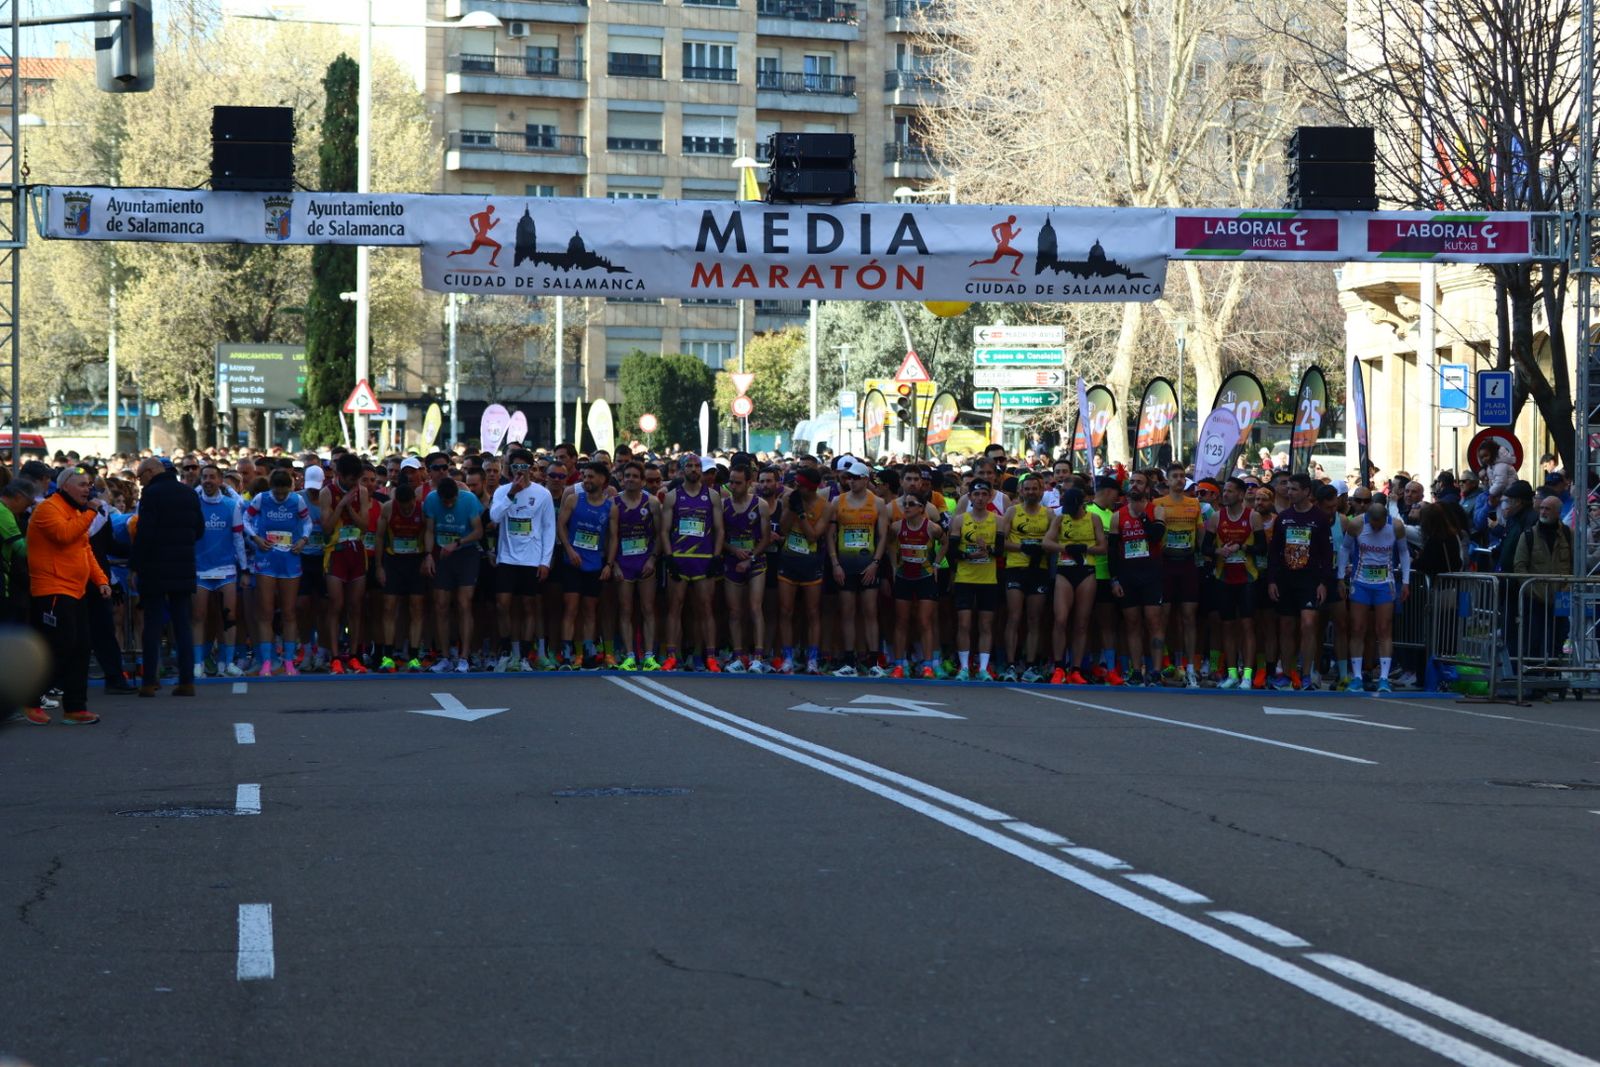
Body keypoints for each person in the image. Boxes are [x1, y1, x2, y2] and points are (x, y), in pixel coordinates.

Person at [23, 467, 112, 724]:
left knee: (81, 648)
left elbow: (85, 550)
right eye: (82, 484)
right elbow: (64, 535)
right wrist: (92, 512)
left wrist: (101, 580)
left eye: (89, 484)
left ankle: (75, 708)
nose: (88, 489)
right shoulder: (48, 509)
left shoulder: (77, 512)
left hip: (75, 590)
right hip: (52, 589)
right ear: (65, 486)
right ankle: (29, 700)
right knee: (59, 647)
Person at [132, 457, 204, 697]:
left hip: (155, 567)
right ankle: (187, 681)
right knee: (182, 624)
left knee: (152, 624)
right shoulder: (189, 493)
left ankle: (149, 681)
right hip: (183, 566)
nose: (139, 482)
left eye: (140, 476)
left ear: (150, 472)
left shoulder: (151, 495)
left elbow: (144, 533)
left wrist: (135, 566)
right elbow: (199, 529)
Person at [488, 448, 556, 672]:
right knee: (502, 604)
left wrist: (545, 561)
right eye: (515, 466)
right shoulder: (502, 491)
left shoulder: (542, 494)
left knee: (529, 606)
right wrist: (512, 494)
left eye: (523, 466)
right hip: (507, 558)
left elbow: (549, 528)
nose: (519, 471)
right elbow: (495, 517)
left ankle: (526, 655)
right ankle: (507, 652)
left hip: (531, 559)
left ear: (530, 468)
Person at [1266, 472, 1336, 690]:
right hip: (1286, 578)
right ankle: (1287, 674)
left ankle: (1307, 674)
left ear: (1306, 492)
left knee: (1308, 623)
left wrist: (1324, 582)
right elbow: (1274, 551)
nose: (1290, 492)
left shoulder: (1319, 518)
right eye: (1288, 488)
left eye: (1294, 489)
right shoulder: (1283, 518)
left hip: (1310, 580)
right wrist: (1272, 580)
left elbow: (1327, 554)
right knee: (1286, 626)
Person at [243, 468, 311, 676]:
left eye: (284, 493)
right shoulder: (261, 499)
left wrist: (303, 540)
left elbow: (307, 522)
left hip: (289, 559)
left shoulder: (297, 500)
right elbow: (245, 520)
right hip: (266, 560)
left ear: (290, 488)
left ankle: (288, 661)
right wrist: (256, 538)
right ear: (271, 488)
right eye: (277, 493)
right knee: (265, 612)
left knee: (289, 612)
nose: (281, 497)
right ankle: (266, 661)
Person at [659, 454, 724, 672]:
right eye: (690, 466)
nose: (694, 469)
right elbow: (664, 531)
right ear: (682, 470)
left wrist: (716, 557)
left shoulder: (712, 496)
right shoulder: (672, 497)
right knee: (674, 608)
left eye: (697, 466)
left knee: (705, 609)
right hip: (679, 558)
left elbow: (719, 530)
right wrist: (669, 557)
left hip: (704, 560)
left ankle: (709, 656)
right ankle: (672, 655)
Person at [828, 460, 889, 677]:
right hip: (845, 565)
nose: (850, 481)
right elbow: (830, 535)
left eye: (855, 478)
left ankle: (873, 662)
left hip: (868, 565)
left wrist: (875, 563)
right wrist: (835, 564)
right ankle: (849, 662)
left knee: (870, 612)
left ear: (865, 479)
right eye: (848, 478)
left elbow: (883, 536)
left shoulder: (878, 503)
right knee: (847, 613)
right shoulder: (838, 501)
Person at [1204, 477, 1264, 690]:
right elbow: (1204, 548)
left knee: (1247, 625)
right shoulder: (1216, 517)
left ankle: (1247, 674)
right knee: (1227, 626)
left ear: (1240, 494)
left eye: (1230, 491)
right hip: (1224, 578)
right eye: (1225, 491)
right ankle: (1231, 674)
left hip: (1247, 579)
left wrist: (1242, 547)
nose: (1225, 494)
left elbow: (1262, 548)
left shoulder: (1253, 516)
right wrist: (1218, 551)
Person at [423, 469, 486, 673]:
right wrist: (428, 555)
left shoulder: (468, 500)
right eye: (445, 502)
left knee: (464, 603)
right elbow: (429, 530)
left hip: (465, 553)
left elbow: (478, 531)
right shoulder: (431, 499)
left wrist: (458, 543)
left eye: (451, 501)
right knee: (441, 605)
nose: (448, 505)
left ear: (457, 495)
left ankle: (464, 657)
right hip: (442, 554)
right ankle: (444, 656)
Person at [555, 461, 614, 668]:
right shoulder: (573, 499)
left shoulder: (610, 506)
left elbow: (613, 538)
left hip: (595, 565)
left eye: (591, 477)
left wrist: (609, 564)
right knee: (571, 608)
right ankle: (567, 654)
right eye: (585, 476)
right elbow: (561, 525)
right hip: (572, 563)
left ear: (602, 480)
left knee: (590, 610)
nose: (586, 480)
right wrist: (569, 550)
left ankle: (588, 654)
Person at [1107, 480, 1166, 686]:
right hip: (1127, 575)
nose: (1134, 486)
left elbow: (1156, 536)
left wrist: (1142, 515)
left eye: (1139, 483)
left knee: (1153, 621)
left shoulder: (1157, 510)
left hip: (1151, 574)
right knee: (1132, 623)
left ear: (1146, 490)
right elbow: (1112, 551)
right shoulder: (1117, 516)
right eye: (1131, 482)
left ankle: (1156, 670)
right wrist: (1114, 580)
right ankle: (1136, 670)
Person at [192, 463, 249, 678]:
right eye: (204, 477)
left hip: (226, 569)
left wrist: (244, 569)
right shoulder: (194, 505)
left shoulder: (231, 505)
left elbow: (238, 539)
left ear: (220, 480)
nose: (208, 480)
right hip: (200, 570)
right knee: (198, 616)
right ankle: (197, 663)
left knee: (230, 616)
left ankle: (228, 662)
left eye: (212, 477)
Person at [1045, 486, 1105, 685]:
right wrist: (1066, 548)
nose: (1070, 512)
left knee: (1081, 622)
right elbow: (1047, 543)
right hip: (1065, 570)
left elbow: (1103, 547)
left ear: (1082, 504)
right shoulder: (1060, 519)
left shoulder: (1093, 519)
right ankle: (1059, 667)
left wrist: (1085, 548)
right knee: (1060, 619)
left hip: (1086, 571)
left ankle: (1076, 669)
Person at [319, 453, 372, 674]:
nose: (354, 483)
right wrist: (341, 505)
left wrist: (350, 507)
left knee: (356, 606)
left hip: (356, 551)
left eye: (356, 479)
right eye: (351, 479)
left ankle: (354, 654)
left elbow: (365, 526)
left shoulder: (362, 491)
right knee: (336, 604)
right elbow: (326, 527)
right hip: (336, 552)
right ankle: (334, 656)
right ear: (339, 475)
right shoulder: (326, 492)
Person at [949, 479, 1007, 681]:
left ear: (989, 497)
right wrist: (969, 555)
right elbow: (952, 552)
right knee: (964, 624)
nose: (980, 498)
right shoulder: (960, 520)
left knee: (986, 625)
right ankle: (964, 667)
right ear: (970, 497)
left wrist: (987, 549)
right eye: (976, 494)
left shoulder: (998, 520)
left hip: (988, 580)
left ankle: (983, 668)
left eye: (984, 494)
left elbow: (1000, 551)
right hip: (965, 578)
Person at [720, 462, 772, 673]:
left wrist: (750, 558)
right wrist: (734, 550)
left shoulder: (760, 505)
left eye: (738, 483)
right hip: (732, 561)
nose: (733, 486)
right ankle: (738, 656)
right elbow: (719, 536)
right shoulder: (723, 505)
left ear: (749, 482)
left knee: (755, 608)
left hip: (755, 561)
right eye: (731, 482)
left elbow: (766, 538)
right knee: (734, 611)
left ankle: (758, 656)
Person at [610, 460, 662, 671]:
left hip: (645, 562)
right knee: (625, 610)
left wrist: (652, 559)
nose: (630, 480)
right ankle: (630, 655)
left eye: (635, 476)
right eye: (627, 476)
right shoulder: (614, 503)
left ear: (642, 481)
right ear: (622, 479)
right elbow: (611, 537)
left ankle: (649, 655)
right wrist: (613, 564)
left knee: (648, 608)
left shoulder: (652, 503)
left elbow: (660, 534)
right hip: (624, 562)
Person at [1002, 472, 1054, 682]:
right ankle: (1010, 664)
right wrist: (1022, 547)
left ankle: (1031, 665)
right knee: (1014, 617)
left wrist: (1042, 548)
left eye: (1035, 488)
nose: (1031, 492)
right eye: (1027, 489)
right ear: (1021, 491)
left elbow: (1054, 543)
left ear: (1041, 491)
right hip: (1016, 568)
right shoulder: (1012, 511)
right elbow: (1001, 542)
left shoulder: (1049, 514)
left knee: (1034, 619)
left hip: (1039, 570)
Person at [887, 491, 945, 679]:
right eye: (905, 504)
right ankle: (899, 665)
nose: (906, 507)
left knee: (924, 621)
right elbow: (889, 543)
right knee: (901, 622)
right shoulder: (896, 527)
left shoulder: (932, 528)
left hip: (925, 577)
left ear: (921, 508)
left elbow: (945, 543)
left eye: (911, 504)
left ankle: (928, 666)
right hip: (904, 577)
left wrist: (936, 563)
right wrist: (894, 565)